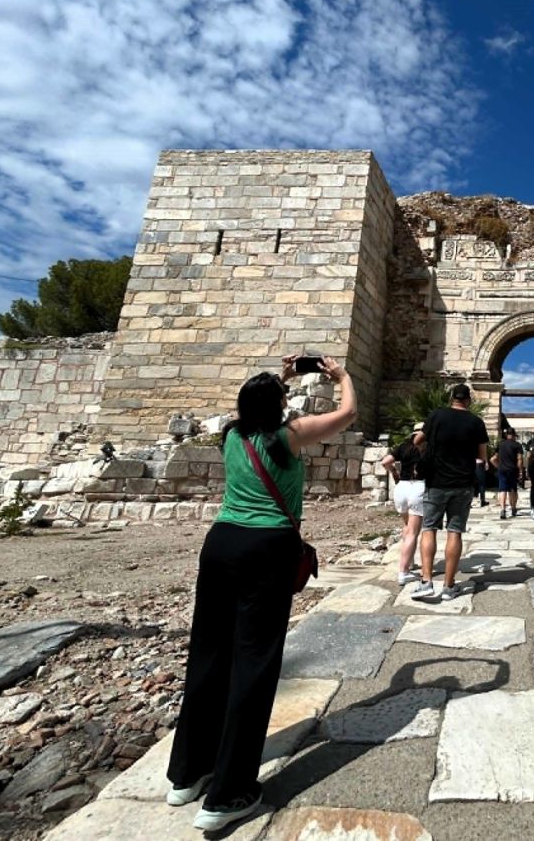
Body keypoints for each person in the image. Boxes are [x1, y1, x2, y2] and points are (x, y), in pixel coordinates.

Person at [166, 355, 355, 832]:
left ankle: (187, 774)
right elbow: (348, 414)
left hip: (220, 545)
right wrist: (342, 376)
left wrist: (282, 375)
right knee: (254, 662)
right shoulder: (286, 438)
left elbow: (253, 399)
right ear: (280, 406)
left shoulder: (232, 434)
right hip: (266, 549)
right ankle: (227, 795)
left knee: (207, 654)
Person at [412, 384, 489, 601]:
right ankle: (448, 586)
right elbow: (482, 456)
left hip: (436, 481)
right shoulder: (476, 422)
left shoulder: (437, 415)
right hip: (463, 483)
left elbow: (418, 440)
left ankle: (426, 582)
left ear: (451, 398)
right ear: (469, 400)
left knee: (429, 528)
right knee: (455, 532)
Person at [381, 424, 427, 585]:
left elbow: (385, 462)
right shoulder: (427, 448)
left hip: (401, 488)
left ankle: (410, 561)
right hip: (418, 487)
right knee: (413, 532)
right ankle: (403, 571)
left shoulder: (403, 446)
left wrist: (394, 471)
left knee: (407, 528)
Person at [492, 427, 524, 520]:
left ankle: (502, 509)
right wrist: (520, 470)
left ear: (506, 435)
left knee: (502, 490)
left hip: (502, 470)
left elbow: (493, 459)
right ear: (514, 435)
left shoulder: (500, 444)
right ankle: (513, 508)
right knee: (513, 490)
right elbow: (519, 459)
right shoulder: (517, 445)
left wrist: (498, 466)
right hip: (512, 470)